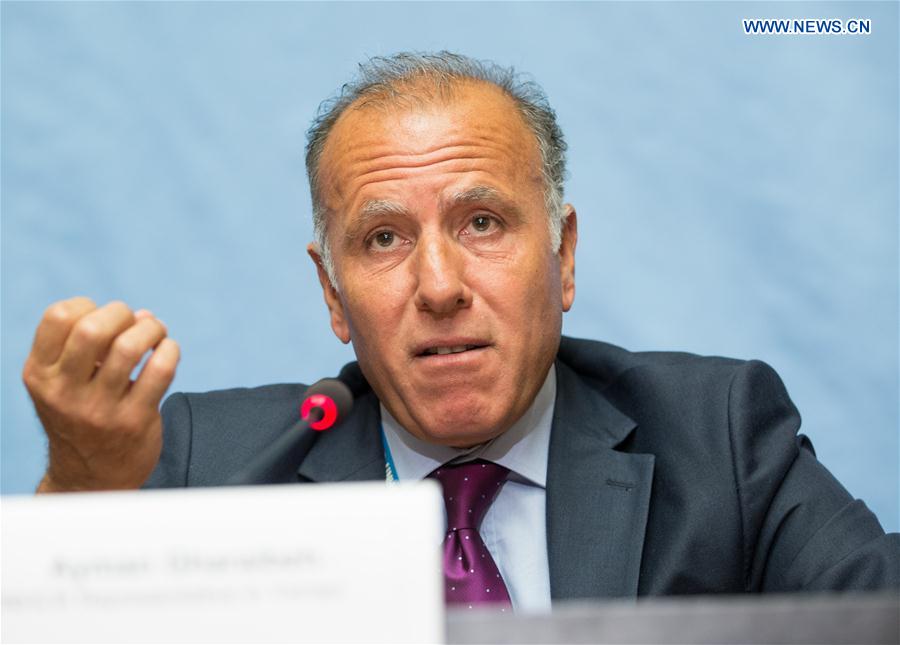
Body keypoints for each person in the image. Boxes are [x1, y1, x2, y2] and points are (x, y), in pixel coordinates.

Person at [22, 52, 898, 610]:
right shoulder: (202, 465)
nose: (438, 286)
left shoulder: (718, 434)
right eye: (383, 239)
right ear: (333, 295)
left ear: (562, 257)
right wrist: (84, 492)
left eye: (482, 223)